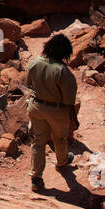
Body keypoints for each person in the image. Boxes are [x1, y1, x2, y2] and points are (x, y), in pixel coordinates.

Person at [26, 32, 80, 193]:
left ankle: (36, 178)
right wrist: (74, 119)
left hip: (36, 107)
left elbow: (29, 84)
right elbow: (69, 101)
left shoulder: (35, 62)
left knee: (38, 142)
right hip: (56, 110)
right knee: (60, 137)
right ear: (65, 52)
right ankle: (62, 161)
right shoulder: (64, 72)